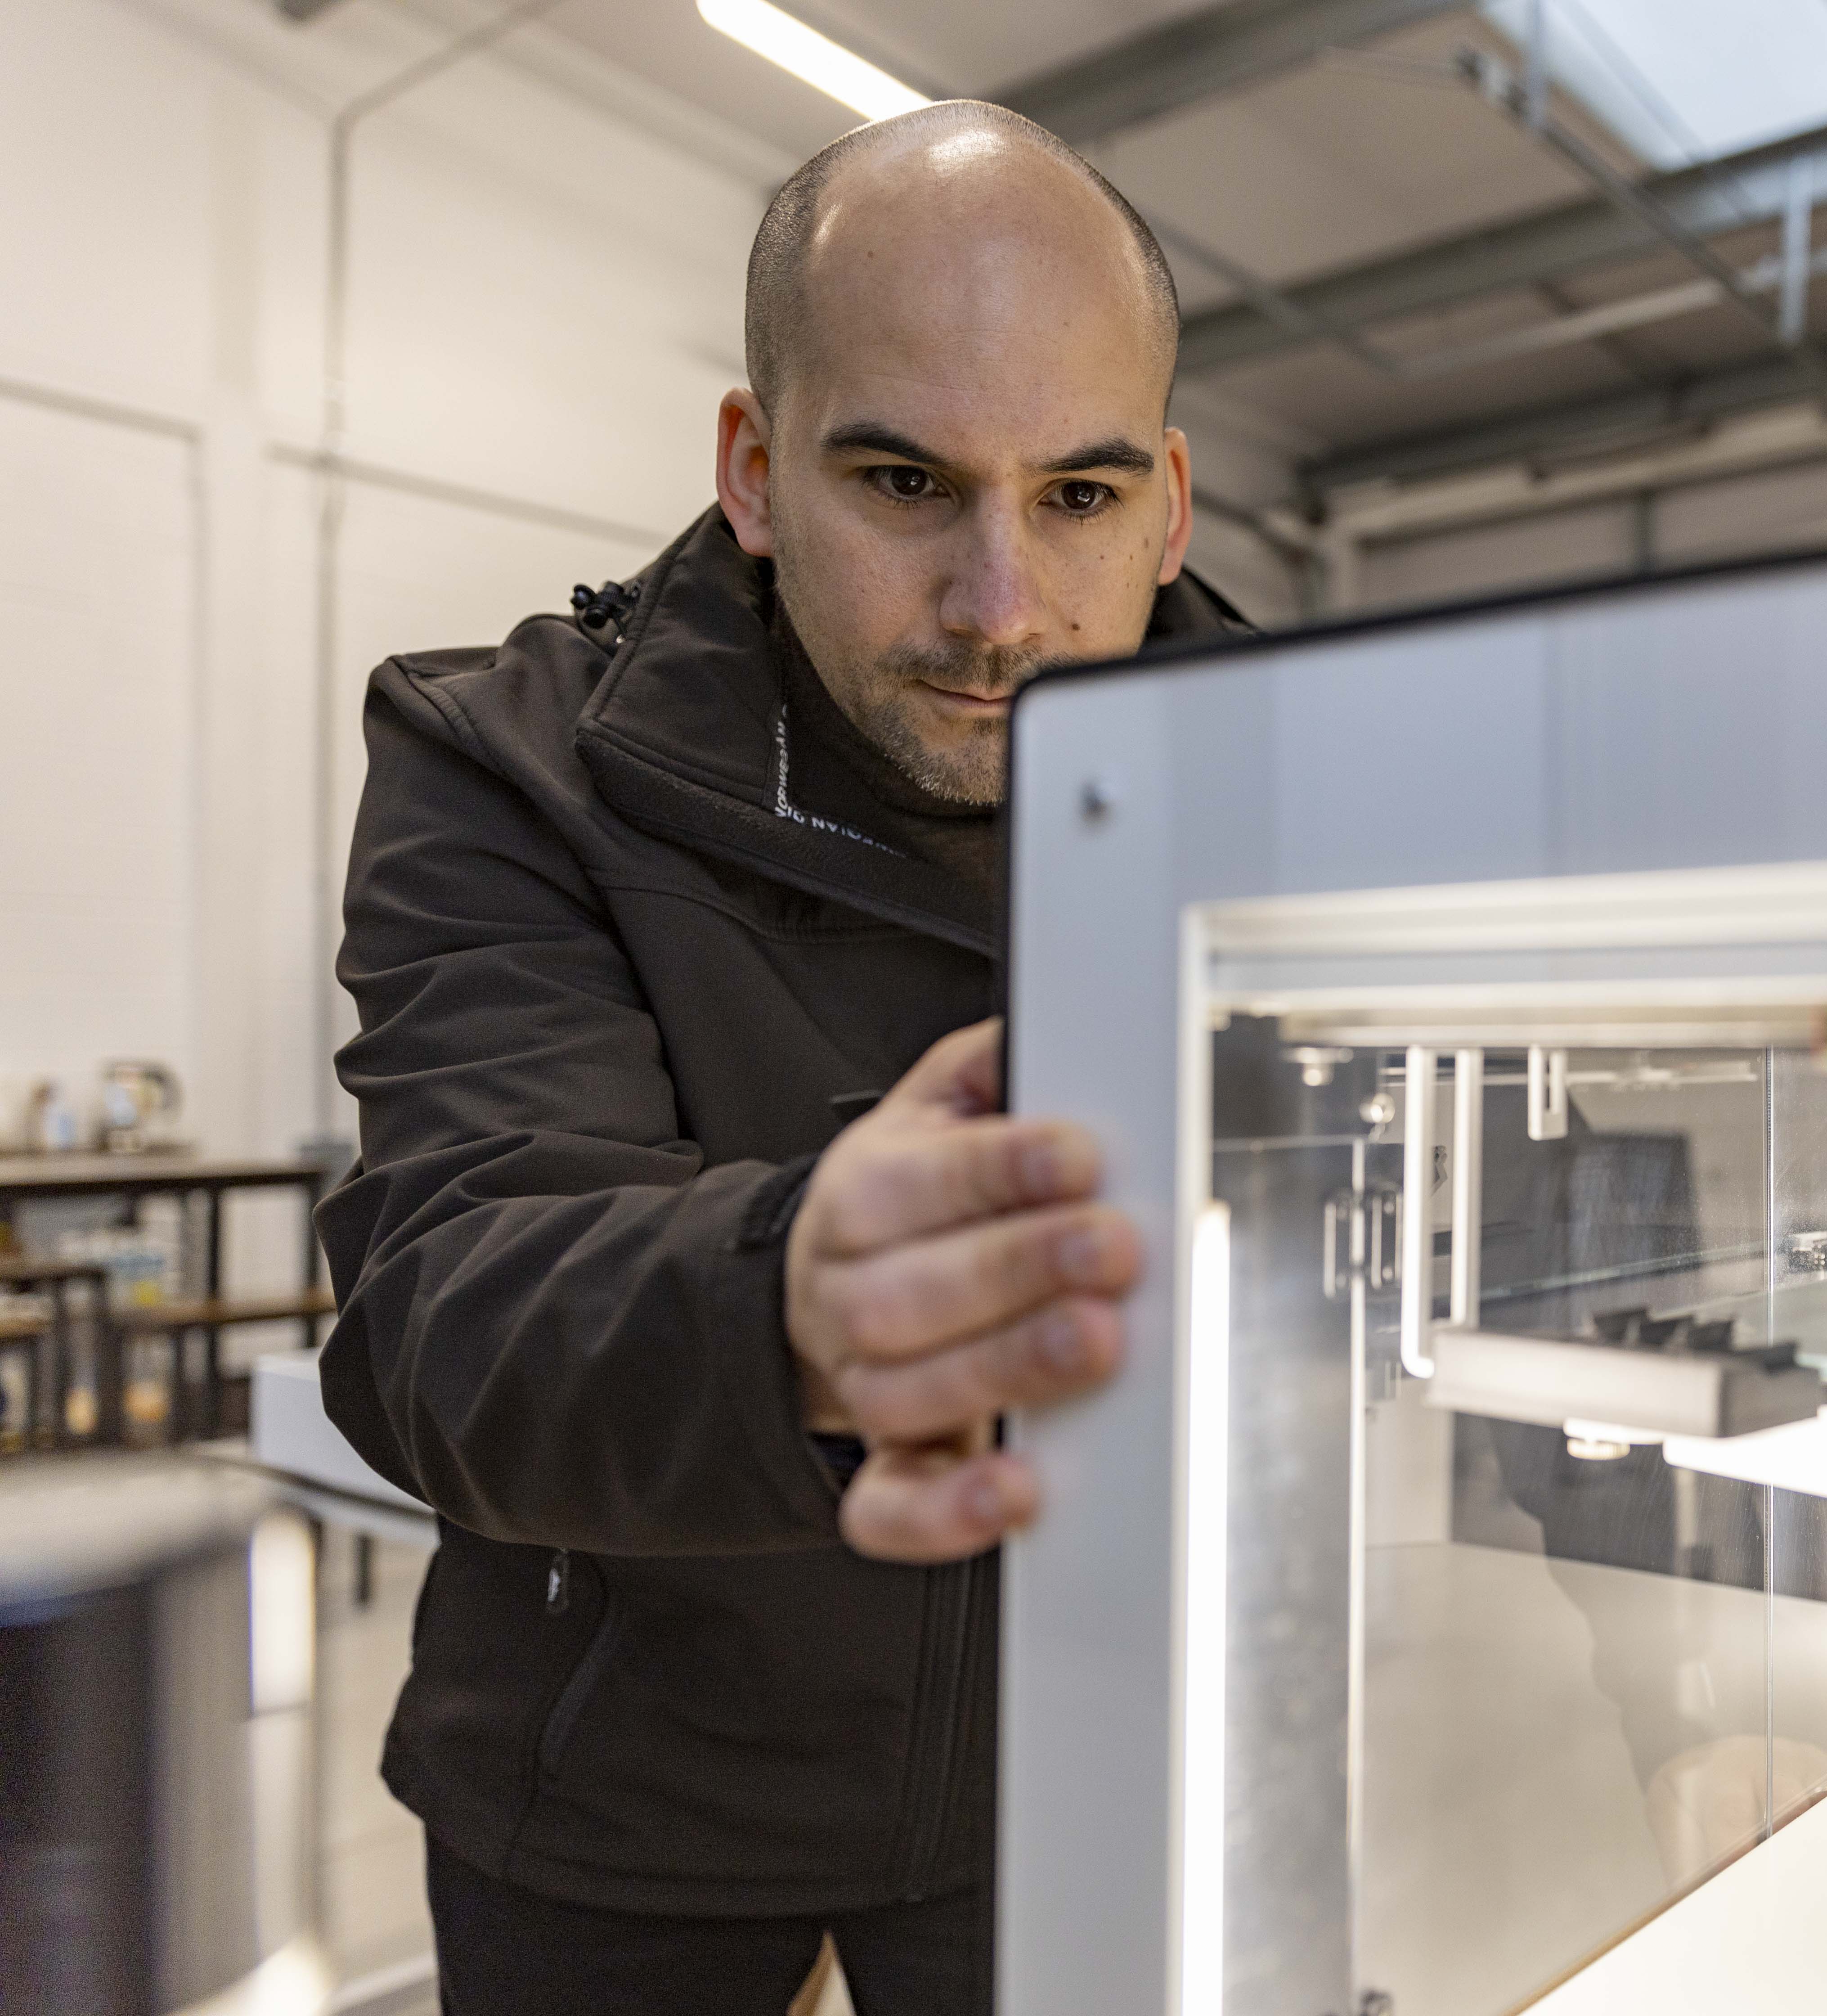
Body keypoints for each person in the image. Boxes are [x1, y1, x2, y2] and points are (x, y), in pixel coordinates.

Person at [316, 101, 1242, 2015]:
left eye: (1076, 499)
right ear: (754, 468)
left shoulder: (1294, 793)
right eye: (906, 483)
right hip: (622, 1813)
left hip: (1093, 1790)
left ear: (1167, 500)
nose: (1002, 612)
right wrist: (787, 1306)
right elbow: (446, 1309)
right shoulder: (508, 766)